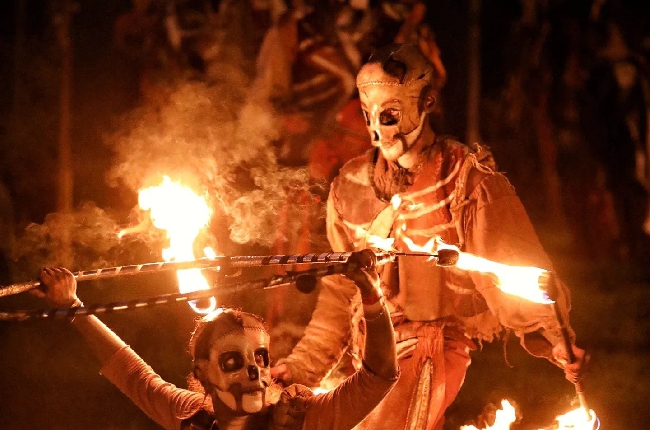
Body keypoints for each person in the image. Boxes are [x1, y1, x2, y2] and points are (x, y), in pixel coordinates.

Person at [271, 43, 588, 430]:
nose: (377, 131)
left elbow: (511, 267)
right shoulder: (349, 188)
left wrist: (554, 335)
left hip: (433, 348)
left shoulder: (465, 180)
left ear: (426, 102)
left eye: (389, 115)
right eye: (369, 115)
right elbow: (341, 295)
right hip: (370, 358)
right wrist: (303, 366)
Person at [35, 249, 398, 430]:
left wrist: (371, 293)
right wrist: (73, 306)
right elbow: (132, 374)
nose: (255, 372)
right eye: (232, 361)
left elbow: (379, 374)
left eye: (260, 358)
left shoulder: (302, 421)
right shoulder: (192, 417)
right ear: (204, 373)